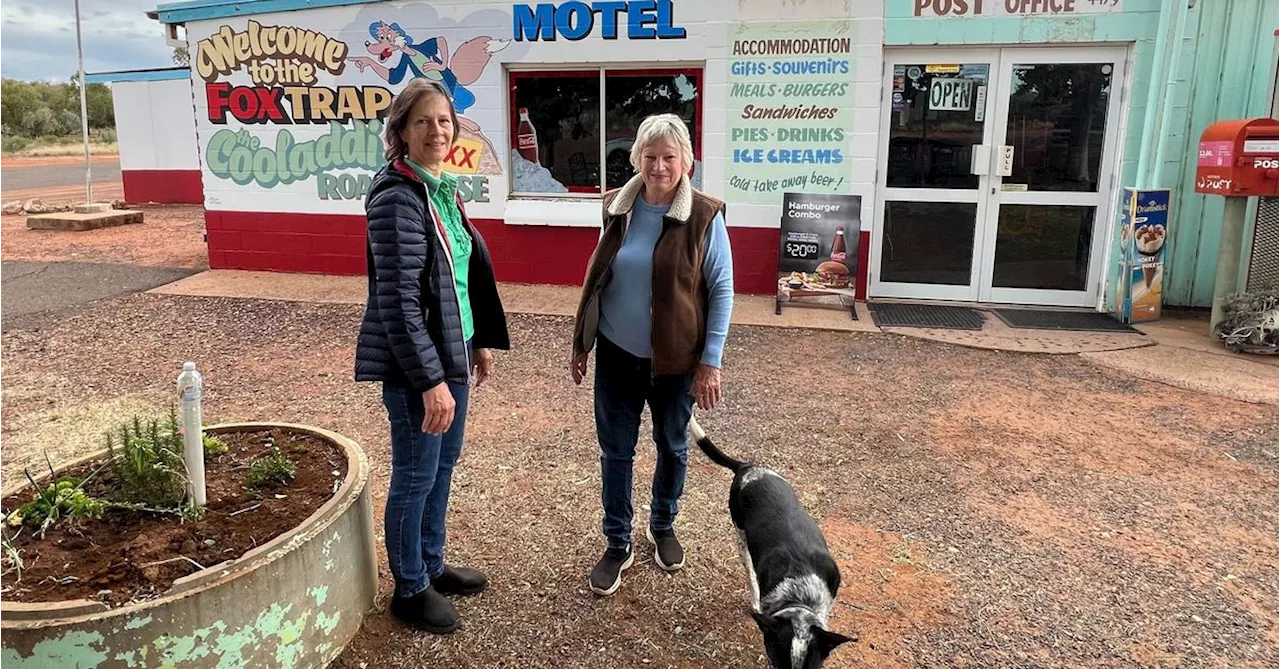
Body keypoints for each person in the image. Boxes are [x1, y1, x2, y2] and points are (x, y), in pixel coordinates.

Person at [355, 78, 510, 634]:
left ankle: (431, 563)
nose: (437, 131)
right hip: (419, 370)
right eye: (423, 122)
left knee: (441, 466)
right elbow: (397, 304)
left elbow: (456, 280)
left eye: (444, 121)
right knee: (416, 475)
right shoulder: (397, 198)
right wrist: (429, 382)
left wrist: (477, 343)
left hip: (454, 354)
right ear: (400, 132)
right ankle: (410, 587)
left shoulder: (439, 190)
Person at [570, 113, 734, 597]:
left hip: (677, 363)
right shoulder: (617, 208)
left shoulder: (704, 215)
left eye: (669, 157)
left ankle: (662, 524)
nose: (659, 166)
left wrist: (711, 360)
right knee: (616, 452)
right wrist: (583, 341)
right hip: (618, 355)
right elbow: (598, 277)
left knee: (673, 447)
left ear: (686, 162)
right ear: (637, 159)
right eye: (650, 156)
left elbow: (722, 290)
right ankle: (617, 542)